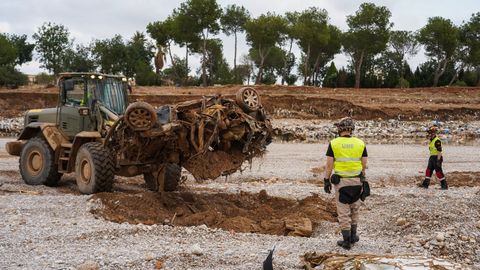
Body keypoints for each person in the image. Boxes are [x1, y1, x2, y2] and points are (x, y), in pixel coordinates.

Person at [323, 117, 368, 250]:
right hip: (357, 181)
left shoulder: (334, 143)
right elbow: (364, 164)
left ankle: (346, 241)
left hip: (342, 183)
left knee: (343, 212)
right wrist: (363, 179)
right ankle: (354, 236)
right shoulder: (360, 143)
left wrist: (326, 180)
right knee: (355, 209)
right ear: (351, 129)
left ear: (340, 129)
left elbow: (329, 165)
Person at [421, 125, 448, 190]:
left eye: (430, 133)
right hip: (432, 157)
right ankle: (425, 184)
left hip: (437, 157)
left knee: (438, 172)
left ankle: (444, 185)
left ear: (433, 133)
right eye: (429, 133)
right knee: (428, 171)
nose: (429, 134)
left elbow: (439, 151)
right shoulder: (431, 140)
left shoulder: (437, 140)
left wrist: (438, 160)